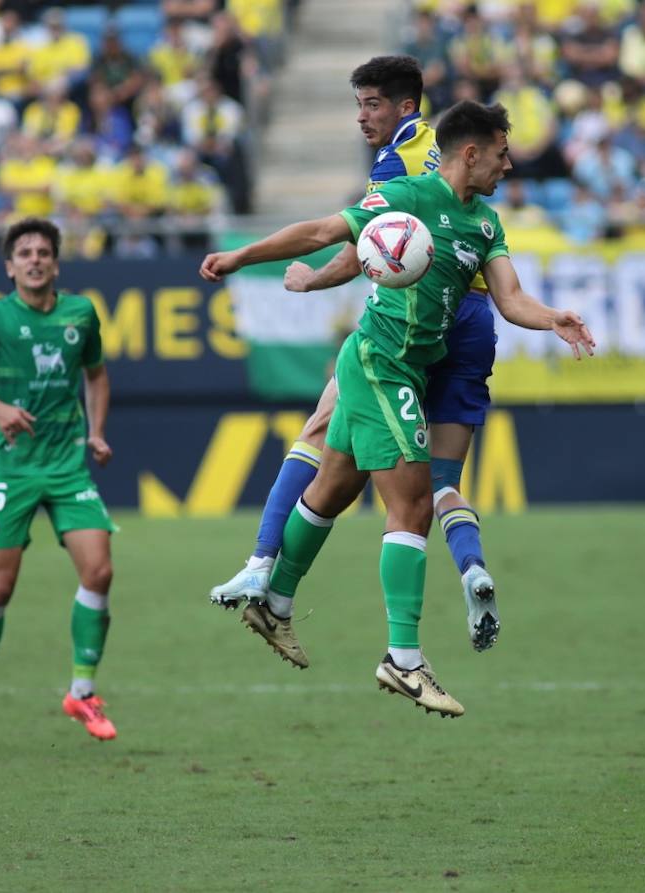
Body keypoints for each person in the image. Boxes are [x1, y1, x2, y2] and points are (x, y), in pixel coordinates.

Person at [199, 101, 594, 717]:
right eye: (500, 152)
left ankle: (274, 603)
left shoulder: (486, 224)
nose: (508, 164)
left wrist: (555, 319)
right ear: (471, 152)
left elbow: (511, 299)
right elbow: (324, 233)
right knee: (411, 504)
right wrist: (241, 257)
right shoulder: (406, 197)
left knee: (330, 489)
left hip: (395, 369)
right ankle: (403, 659)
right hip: (382, 365)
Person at [209, 56, 506, 654]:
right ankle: (466, 570)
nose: (361, 117)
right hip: (469, 318)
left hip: (418, 318)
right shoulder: (445, 154)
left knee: (325, 435)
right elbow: (390, 244)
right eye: (357, 105)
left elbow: (354, 242)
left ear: (403, 106)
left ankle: (266, 567)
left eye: (370, 104)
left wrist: (303, 278)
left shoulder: (402, 164)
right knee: (392, 478)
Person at [0, 218, 119, 753]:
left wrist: (97, 432)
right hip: (11, 469)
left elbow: (97, 375)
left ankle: (82, 692)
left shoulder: (80, 313)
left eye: (43, 252)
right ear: (9, 266)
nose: (35, 259)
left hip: (66, 466)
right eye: (25, 253)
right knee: (0, 587)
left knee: (100, 570)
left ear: (55, 263)